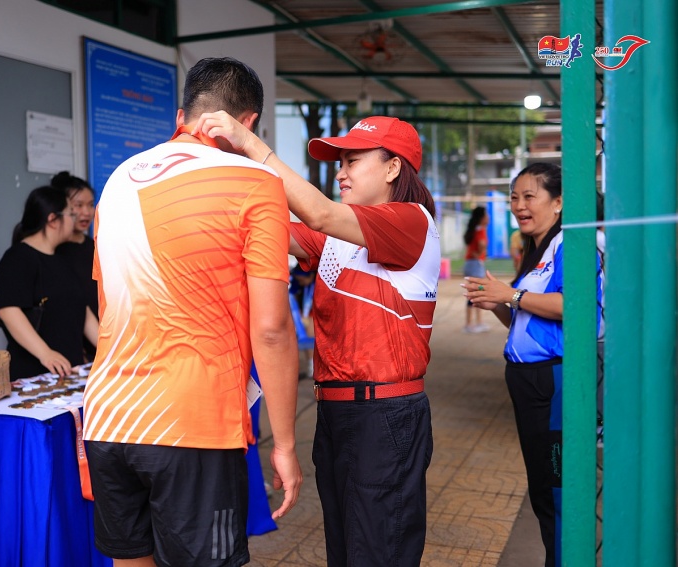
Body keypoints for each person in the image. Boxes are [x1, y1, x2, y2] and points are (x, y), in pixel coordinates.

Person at [82, 57, 302, 567]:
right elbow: (271, 331)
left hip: (109, 418)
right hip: (192, 423)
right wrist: (285, 444)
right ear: (248, 124)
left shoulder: (117, 183)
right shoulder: (253, 182)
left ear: (182, 115)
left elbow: (107, 306)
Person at [196, 112, 439, 566]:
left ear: (393, 168)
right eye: (338, 163)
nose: (340, 172)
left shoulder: (410, 221)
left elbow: (320, 213)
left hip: (384, 418)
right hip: (338, 413)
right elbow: (266, 231)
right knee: (345, 553)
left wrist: (251, 144)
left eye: (353, 161)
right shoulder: (340, 237)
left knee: (377, 554)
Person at [462, 163, 604, 567]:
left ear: (558, 203)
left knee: (557, 490)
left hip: (553, 381)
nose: (519, 206)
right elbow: (525, 318)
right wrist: (497, 304)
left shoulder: (570, 245)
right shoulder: (537, 250)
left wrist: (513, 295)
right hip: (528, 382)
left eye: (530, 197)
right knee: (543, 490)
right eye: (514, 197)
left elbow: (576, 308)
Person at [0, 186, 99, 379]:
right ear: (53, 220)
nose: (73, 221)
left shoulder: (62, 258)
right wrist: (45, 354)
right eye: (70, 214)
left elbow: (83, 310)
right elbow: (8, 310)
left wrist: (110, 350)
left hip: (69, 373)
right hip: (33, 375)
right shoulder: (18, 257)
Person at [51, 171, 99, 359]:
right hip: (67, 350)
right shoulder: (54, 251)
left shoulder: (97, 247)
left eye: (90, 205)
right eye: (78, 205)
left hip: (100, 340)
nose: (86, 212)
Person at [463, 206, 490, 333]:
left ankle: (474, 323)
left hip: (470, 264)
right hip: (475, 264)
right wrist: (481, 252)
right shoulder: (481, 230)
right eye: (486, 215)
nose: (488, 217)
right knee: (477, 294)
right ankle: (472, 324)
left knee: (475, 293)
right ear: (481, 218)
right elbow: (481, 244)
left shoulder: (473, 229)